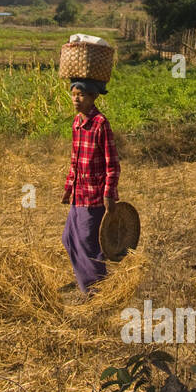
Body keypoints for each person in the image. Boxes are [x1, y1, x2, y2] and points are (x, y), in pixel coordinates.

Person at [61, 78, 120, 301]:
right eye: (73, 94)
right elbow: (74, 160)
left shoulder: (100, 123)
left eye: (81, 95)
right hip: (79, 192)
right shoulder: (77, 122)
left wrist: (108, 193)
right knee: (68, 238)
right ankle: (90, 283)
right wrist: (68, 188)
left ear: (93, 97)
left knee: (89, 242)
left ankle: (97, 290)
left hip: (95, 195)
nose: (76, 99)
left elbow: (112, 163)